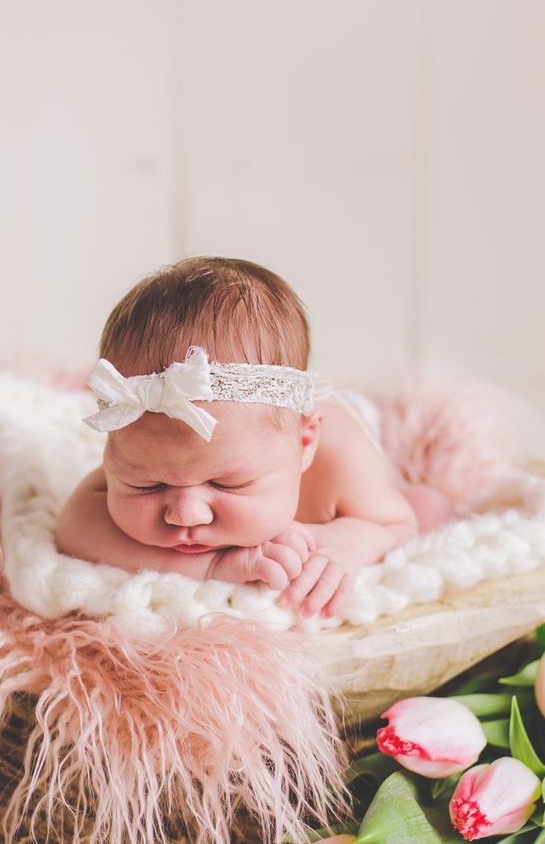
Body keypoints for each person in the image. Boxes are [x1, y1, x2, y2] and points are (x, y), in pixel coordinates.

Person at [55, 257, 452, 619]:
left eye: (227, 483)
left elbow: (394, 524)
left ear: (304, 445)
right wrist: (210, 567)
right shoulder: (154, 444)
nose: (185, 515)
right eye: (147, 485)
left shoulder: (339, 461)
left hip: (353, 418)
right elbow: (75, 526)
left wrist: (341, 543)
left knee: (426, 505)